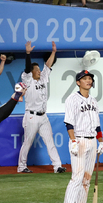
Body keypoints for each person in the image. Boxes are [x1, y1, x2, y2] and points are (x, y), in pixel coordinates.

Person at [61, 71, 103, 203]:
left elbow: (97, 126)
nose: (88, 81)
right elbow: (69, 123)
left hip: (92, 141)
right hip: (78, 140)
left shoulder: (93, 100)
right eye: (85, 79)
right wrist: (72, 141)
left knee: (86, 179)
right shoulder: (72, 99)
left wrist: (101, 141)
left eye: (90, 79)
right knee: (77, 177)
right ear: (78, 82)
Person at [17, 41, 66, 174]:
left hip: (43, 116)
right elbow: (27, 68)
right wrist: (28, 54)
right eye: (36, 70)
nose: (39, 71)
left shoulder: (43, 78)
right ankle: (21, 167)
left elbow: (48, 65)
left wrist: (54, 52)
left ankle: (57, 166)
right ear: (31, 72)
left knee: (50, 141)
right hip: (31, 116)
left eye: (39, 69)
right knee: (27, 142)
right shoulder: (27, 79)